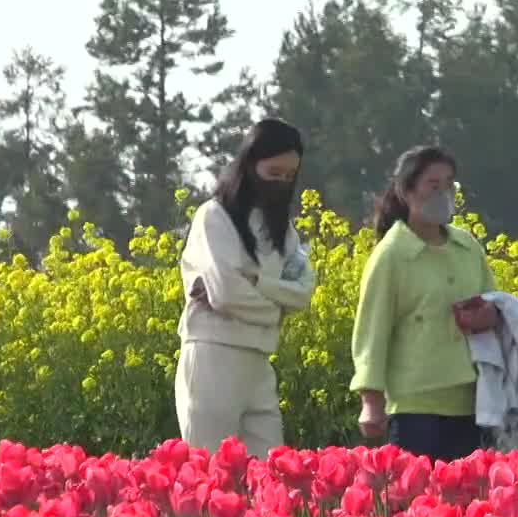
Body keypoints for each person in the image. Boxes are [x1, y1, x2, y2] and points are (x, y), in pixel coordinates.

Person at [174, 118, 316, 458]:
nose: (281, 182)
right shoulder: (215, 217)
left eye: (289, 176)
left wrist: (256, 281)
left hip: (259, 359)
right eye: (274, 172)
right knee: (206, 474)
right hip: (213, 355)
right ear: (250, 165)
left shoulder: (283, 231)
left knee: (269, 471)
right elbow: (225, 292)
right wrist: (273, 310)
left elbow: (304, 291)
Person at [350, 146, 500, 461]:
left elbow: (495, 302)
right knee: (418, 503)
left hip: (471, 401)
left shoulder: (467, 247)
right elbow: (372, 331)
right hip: (415, 405)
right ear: (406, 191)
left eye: (449, 184)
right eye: (433, 184)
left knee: (467, 503)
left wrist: (489, 315)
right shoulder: (392, 255)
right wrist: (371, 401)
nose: (443, 193)